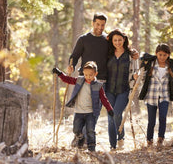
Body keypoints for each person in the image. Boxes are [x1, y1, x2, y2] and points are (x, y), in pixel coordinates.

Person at [67, 13, 139, 148]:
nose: (100, 27)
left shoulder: (107, 40)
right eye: (98, 24)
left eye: (103, 25)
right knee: (84, 110)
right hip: (85, 80)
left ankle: (87, 140)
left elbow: (120, 49)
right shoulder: (83, 39)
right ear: (93, 23)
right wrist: (71, 65)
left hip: (102, 82)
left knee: (95, 111)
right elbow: (74, 56)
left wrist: (133, 52)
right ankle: (80, 137)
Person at [53, 61, 114, 152]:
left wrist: (109, 108)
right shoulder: (80, 80)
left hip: (90, 113)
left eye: (90, 75)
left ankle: (92, 148)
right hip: (79, 112)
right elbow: (68, 80)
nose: (88, 77)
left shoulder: (98, 85)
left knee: (90, 130)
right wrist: (59, 73)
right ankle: (80, 137)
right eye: (86, 75)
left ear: (95, 74)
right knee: (76, 129)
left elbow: (103, 98)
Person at [138, 43, 173, 148]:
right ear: (156, 54)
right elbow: (142, 77)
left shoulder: (170, 67)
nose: (162, 57)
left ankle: (160, 139)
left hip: (164, 96)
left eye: (164, 55)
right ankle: (149, 141)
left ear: (168, 55)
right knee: (151, 120)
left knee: (163, 118)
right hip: (151, 96)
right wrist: (141, 67)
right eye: (160, 55)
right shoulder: (151, 65)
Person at [106, 29, 138, 150]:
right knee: (110, 117)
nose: (118, 42)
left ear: (124, 40)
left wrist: (136, 75)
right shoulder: (108, 53)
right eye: (115, 40)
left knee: (117, 113)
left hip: (124, 90)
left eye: (120, 40)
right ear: (112, 41)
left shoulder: (130, 55)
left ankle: (120, 137)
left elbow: (136, 70)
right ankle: (112, 145)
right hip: (109, 90)